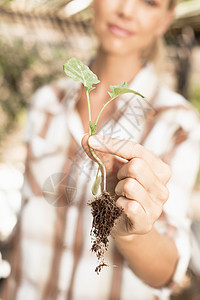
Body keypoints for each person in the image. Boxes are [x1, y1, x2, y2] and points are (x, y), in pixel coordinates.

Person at [2, 0, 200, 299]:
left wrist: (131, 231)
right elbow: (26, 219)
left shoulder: (177, 121)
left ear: (164, 20)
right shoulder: (46, 100)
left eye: (149, 2)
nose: (127, 10)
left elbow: (168, 272)